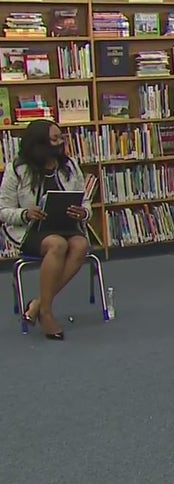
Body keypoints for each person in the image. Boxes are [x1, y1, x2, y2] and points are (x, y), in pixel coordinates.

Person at [0, 119, 92, 340]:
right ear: (40, 143)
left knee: (80, 245)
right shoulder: (18, 169)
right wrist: (25, 213)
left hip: (66, 225)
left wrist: (83, 213)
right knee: (57, 245)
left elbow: (85, 200)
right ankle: (47, 313)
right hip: (31, 229)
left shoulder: (69, 165)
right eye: (54, 138)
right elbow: (3, 209)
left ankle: (39, 304)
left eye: (61, 137)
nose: (60, 142)